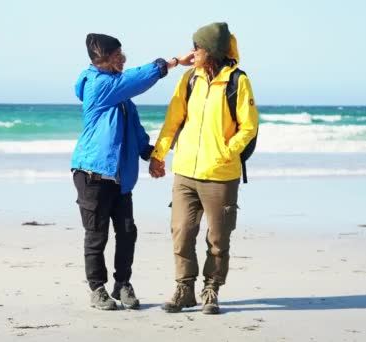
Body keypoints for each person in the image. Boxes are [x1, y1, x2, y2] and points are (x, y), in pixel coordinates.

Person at [72, 33, 192, 310]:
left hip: (121, 179)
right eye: (117, 55)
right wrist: (173, 62)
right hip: (92, 174)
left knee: (127, 232)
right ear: (102, 58)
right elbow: (137, 79)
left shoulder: (123, 99)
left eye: (122, 54)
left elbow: (137, 135)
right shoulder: (98, 84)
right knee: (97, 234)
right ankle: (97, 288)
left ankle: (122, 283)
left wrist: (152, 155)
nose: (123, 59)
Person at [149, 22, 259, 314]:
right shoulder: (189, 79)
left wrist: (226, 152)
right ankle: (184, 288)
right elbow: (173, 120)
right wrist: (159, 155)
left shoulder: (238, 81)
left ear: (210, 51)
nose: (192, 51)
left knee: (218, 238)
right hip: (185, 171)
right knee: (182, 231)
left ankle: (212, 289)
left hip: (221, 175)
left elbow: (248, 127)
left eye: (197, 47)